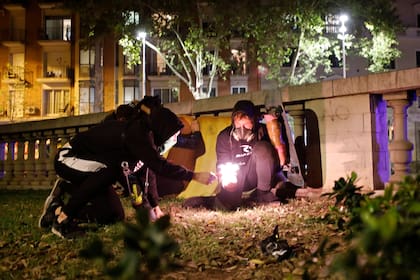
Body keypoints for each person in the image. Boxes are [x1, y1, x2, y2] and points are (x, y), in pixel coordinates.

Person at [39, 98, 216, 239]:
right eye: (174, 135)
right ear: (163, 129)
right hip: (69, 159)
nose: (175, 140)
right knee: (107, 171)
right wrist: (195, 176)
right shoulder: (137, 136)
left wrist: (153, 207)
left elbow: (145, 175)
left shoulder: (145, 143)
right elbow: (157, 167)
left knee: (113, 215)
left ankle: (55, 209)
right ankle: (63, 219)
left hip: (96, 169)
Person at [183, 100, 288, 211]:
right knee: (226, 205)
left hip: (257, 176)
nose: (242, 129)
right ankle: (212, 201)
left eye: (247, 124)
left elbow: (277, 159)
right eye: (238, 124)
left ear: (254, 121)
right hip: (237, 178)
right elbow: (222, 164)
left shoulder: (265, 132)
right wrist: (226, 180)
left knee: (263, 148)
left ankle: (263, 195)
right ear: (233, 122)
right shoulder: (224, 137)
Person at [156, 117, 205, 197]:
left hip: (177, 180)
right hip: (172, 178)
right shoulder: (175, 141)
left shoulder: (188, 143)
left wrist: (196, 133)